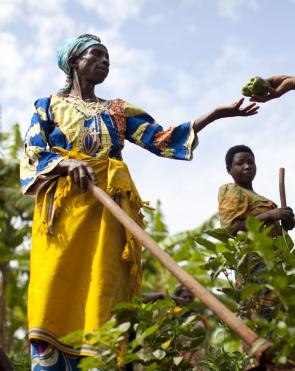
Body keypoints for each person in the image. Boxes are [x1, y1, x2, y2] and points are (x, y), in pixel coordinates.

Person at [20, 34, 259, 369]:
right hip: (64, 212)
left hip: (110, 213)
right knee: (56, 290)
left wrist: (215, 115)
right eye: (96, 54)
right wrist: (66, 163)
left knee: (105, 289)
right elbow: (33, 153)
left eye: (108, 57)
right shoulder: (45, 106)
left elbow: (161, 139)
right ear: (74, 61)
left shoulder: (117, 110)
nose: (105, 61)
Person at [218, 145, 295, 320]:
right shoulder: (231, 190)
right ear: (229, 169)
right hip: (252, 263)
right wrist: (271, 214)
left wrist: (287, 220)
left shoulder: (265, 200)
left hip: (274, 262)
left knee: (279, 315)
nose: (247, 166)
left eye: (250, 162)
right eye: (240, 163)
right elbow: (231, 227)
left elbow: (276, 230)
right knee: (260, 315)